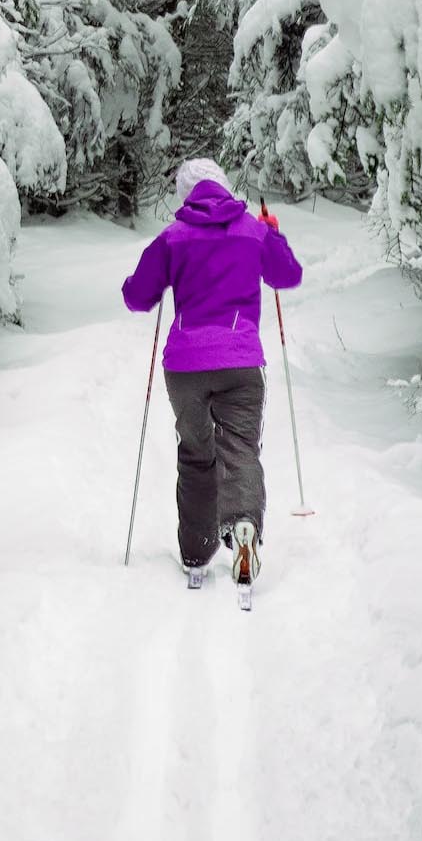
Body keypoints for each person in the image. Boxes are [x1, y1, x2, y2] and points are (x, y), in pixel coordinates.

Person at [121, 159, 303, 589]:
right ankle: (243, 527)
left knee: (196, 454)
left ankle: (196, 553)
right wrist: (272, 233)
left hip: (185, 367)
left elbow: (136, 297)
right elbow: (287, 274)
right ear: (223, 187)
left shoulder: (173, 236)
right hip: (240, 361)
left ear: (187, 195)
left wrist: (153, 278)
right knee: (240, 448)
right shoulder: (252, 230)